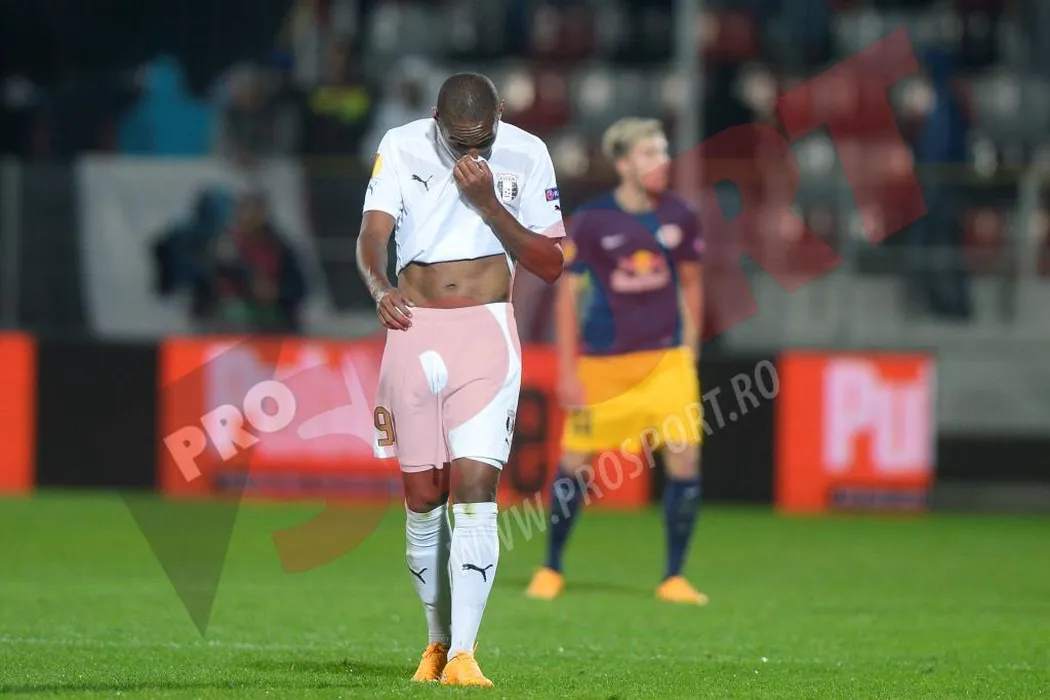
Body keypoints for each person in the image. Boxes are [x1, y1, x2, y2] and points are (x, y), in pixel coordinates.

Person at [355, 73, 564, 687]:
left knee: (475, 488)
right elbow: (371, 236)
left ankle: (466, 655)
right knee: (424, 496)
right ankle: (436, 642)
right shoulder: (400, 144)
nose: (472, 152)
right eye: (458, 142)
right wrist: (379, 287)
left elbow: (552, 263)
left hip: (486, 334)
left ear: (501, 115)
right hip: (414, 331)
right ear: (435, 120)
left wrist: (490, 204)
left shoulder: (528, 152)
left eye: (483, 140)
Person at [525, 118, 707, 605]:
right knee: (576, 462)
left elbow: (692, 281)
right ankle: (551, 567)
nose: (662, 161)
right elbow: (568, 299)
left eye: (664, 151)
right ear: (624, 164)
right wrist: (568, 370)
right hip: (604, 365)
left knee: (685, 458)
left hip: (665, 361)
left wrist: (690, 346)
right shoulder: (592, 221)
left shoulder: (681, 215)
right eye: (649, 153)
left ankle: (673, 576)